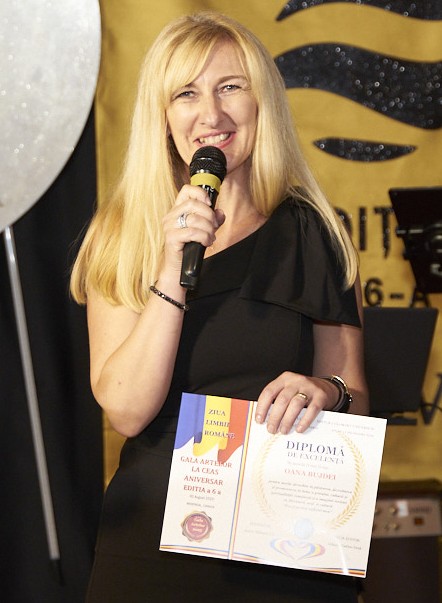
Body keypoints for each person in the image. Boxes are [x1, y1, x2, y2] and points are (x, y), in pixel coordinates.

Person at [70, 10, 369, 603]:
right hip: (155, 545)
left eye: (230, 87)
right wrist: (172, 268)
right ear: (163, 115)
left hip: (283, 544)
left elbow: (355, 395)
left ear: (263, 103)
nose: (211, 114)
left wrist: (326, 391)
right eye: (186, 93)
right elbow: (126, 410)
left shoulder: (315, 231)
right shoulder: (123, 234)